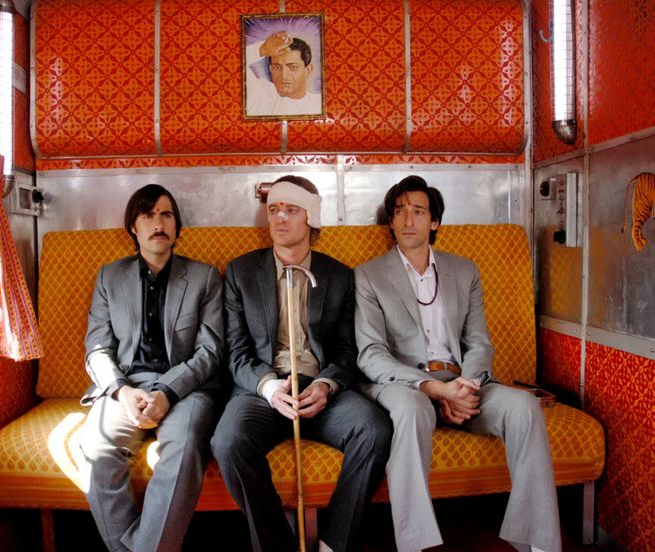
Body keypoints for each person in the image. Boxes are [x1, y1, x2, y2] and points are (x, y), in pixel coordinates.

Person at [354, 176, 561, 552]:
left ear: (434, 222)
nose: (407, 220)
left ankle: (538, 540)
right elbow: (371, 353)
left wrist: (464, 387)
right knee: (410, 410)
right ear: (390, 222)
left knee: (523, 407)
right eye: (399, 211)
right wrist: (433, 388)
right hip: (404, 384)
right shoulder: (369, 275)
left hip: (462, 380)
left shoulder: (464, 270)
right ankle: (414, 544)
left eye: (418, 211)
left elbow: (479, 341)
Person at [211, 175, 391, 552]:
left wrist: (326, 385)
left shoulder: (339, 276)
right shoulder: (241, 273)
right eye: (274, 210)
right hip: (262, 390)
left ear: (311, 217)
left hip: (322, 389)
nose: (279, 219)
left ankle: (333, 544)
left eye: (291, 210)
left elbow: (346, 351)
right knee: (228, 440)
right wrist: (268, 387)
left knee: (373, 429)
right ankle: (276, 544)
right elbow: (237, 352)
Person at [79, 184, 224, 552]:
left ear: (177, 226)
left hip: (186, 387)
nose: (158, 223)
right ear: (133, 226)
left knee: (186, 442)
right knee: (95, 444)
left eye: (166, 215)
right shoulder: (109, 277)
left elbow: (210, 351)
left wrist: (167, 392)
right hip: (126, 386)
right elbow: (96, 348)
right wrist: (122, 391)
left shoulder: (204, 277)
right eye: (148, 215)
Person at [245, 31, 322, 117]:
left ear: (308, 71)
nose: (284, 75)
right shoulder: (260, 93)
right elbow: (230, 65)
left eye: (293, 67)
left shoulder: (320, 104)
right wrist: (263, 50)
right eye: (276, 67)